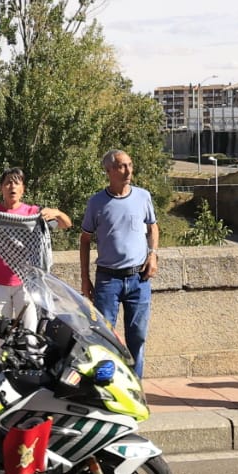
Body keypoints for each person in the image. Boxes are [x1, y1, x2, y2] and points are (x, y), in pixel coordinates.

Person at [79, 150, 159, 378]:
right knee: (104, 337)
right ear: (109, 171)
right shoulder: (96, 202)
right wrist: (85, 279)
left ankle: (135, 385)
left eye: (130, 165)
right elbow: (85, 239)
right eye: (122, 166)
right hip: (108, 280)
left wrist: (153, 254)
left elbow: (153, 227)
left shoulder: (143, 197)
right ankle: (109, 385)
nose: (128, 171)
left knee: (137, 337)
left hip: (139, 279)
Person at [0, 167, 71, 328]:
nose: (12, 187)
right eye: (8, 183)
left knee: (29, 333)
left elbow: (66, 224)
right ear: (1, 188)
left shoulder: (33, 213)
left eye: (17, 183)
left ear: (23, 188)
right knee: (0, 334)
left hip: (26, 284)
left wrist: (55, 212)